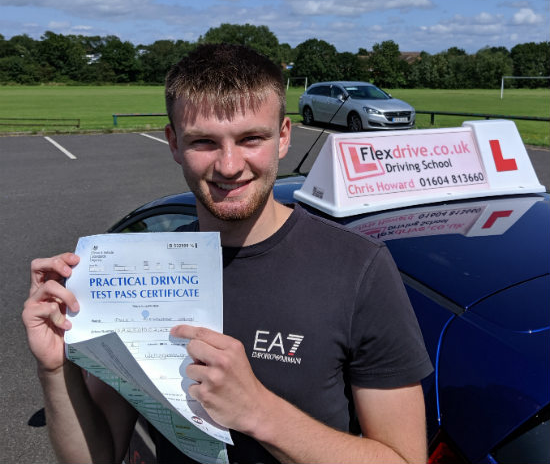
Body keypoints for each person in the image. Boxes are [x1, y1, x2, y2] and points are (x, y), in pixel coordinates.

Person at [23, 43, 433, 464]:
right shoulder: (140, 271)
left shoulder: (358, 267)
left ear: (284, 137)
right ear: (173, 142)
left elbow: (403, 459)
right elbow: (99, 457)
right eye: (204, 142)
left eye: (251, 138)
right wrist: (56, 370)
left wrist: (258, 411)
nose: (230, 165)